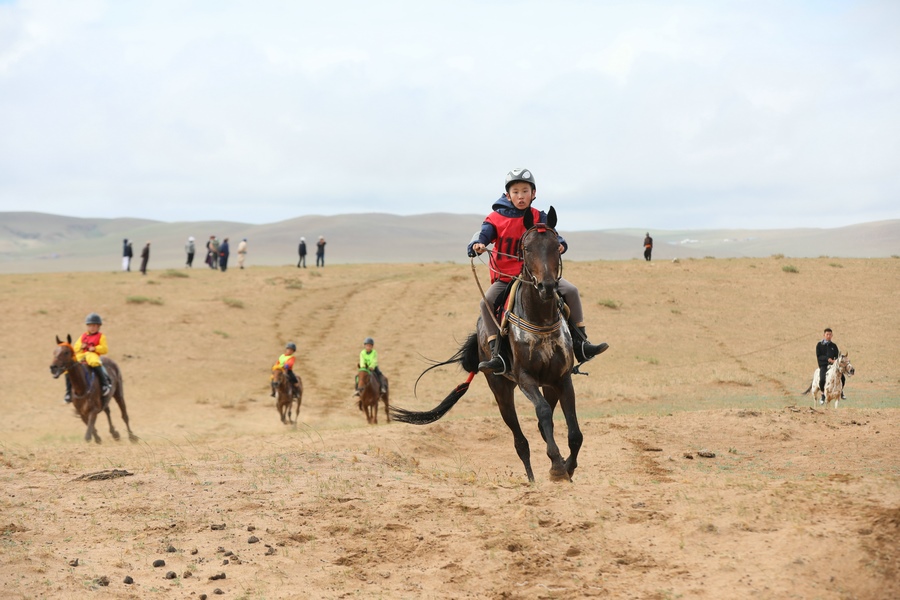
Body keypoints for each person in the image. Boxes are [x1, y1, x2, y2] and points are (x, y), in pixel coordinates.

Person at [468, 168, 608, 374]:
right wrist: (477, 244)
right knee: (486, 303)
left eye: (525, 191)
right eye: (516, 192)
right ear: (508, 195)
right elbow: (483, 235)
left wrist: (561, 243)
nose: (521, 196)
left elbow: (553, 235)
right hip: (506, 277)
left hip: (537, 275)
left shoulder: (538, 216)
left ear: (533, 193)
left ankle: (581, 344)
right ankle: (496, 353)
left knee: (571, 291)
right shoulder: (495, 218)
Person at [64, 312, 113, 402]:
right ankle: (68, 392)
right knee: (69, 367)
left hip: (92, 354)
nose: (92, 328)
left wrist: (95, 348)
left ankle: (104, 384)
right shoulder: (83, 336)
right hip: (82, 355)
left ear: (98, 326)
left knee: (94, 362)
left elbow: (105, 349)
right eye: (90, 326)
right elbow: (76, 347)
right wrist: (81, 347)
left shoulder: (101, 336)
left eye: (94, 326)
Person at [816, 328, 846, 401]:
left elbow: (837, 356)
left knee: (842, 378)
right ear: (824, 335)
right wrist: (827, 359)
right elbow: (819, 356)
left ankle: (841, 391)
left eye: (830, 334)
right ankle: (823, 394)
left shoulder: (834, 346)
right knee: (822, 379)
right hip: (824, 365)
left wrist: (835, 360)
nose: (829, 336)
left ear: (832, 335)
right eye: (827, 334)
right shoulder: (819, 345)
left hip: (833, 366)